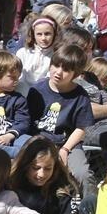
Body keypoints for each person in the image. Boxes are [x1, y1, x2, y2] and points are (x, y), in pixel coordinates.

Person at [27, 44, 95, 192]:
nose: (58, 72)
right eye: (56, 65)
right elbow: (29, 122)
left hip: (67, 143)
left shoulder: (80, 96)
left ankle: (89, 208)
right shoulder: (36, 90)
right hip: (40, 141)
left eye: (66, 70)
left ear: (75, 74)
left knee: (82, 173)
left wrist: (65, 149)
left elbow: (81, 127)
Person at [16, 16, 58, 85]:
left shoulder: (57, 55)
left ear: (54, 34)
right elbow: (19, 78)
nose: (43, 38)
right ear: (33, 35)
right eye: (39, 34)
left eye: (47, 34)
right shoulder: (23, 53)